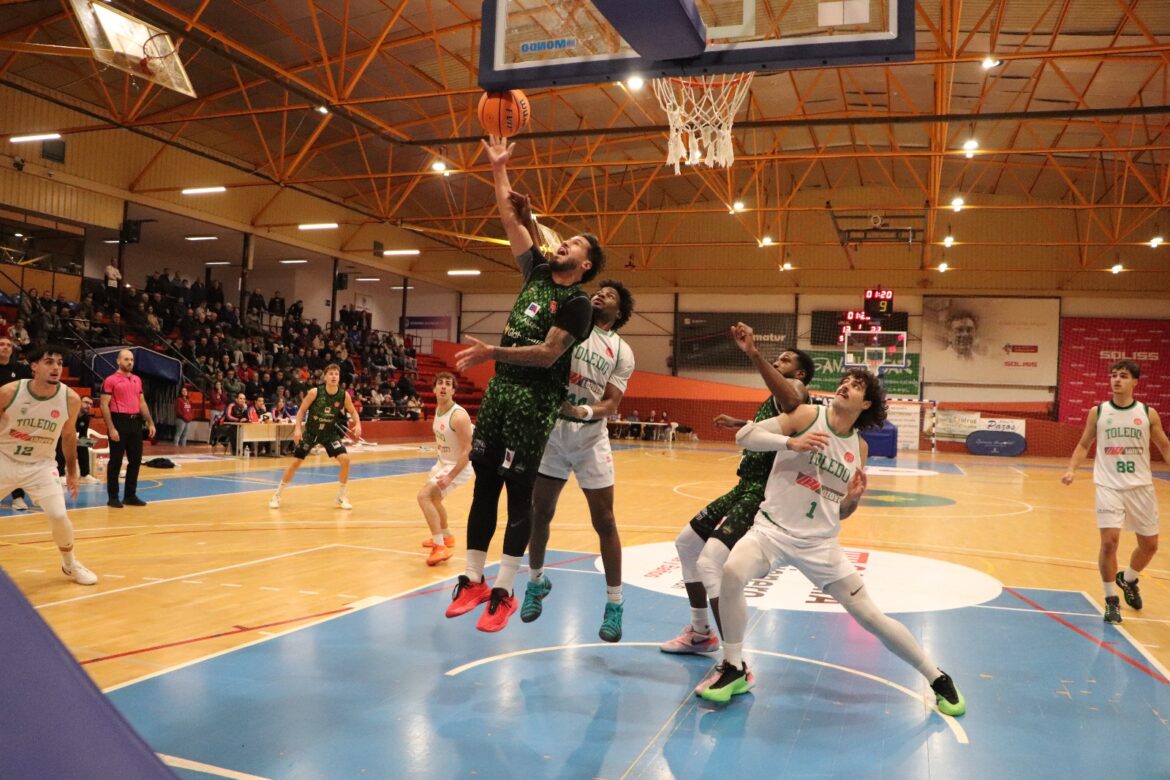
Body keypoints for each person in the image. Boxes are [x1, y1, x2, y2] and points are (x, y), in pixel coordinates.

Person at [697, 369, 966, 718]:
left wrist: (853, 498)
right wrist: (790, 443)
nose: (846, 385)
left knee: (870, 616)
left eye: (856, 386)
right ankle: (734, 666)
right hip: (772, 531)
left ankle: (937, 677)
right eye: (846, 380)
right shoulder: (808, 415)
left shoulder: (860, 448)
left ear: (866, 404)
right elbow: (745, 436)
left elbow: (841, 511)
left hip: (820, 545)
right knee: (732, 571)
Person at [444, 135, 600, 633]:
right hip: (500, 395)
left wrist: (492, 352)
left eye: (575, 244)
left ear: (585, 265)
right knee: (483, 485)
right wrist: (498, 169)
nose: (565, 242)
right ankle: (473, 579)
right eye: (564, 238)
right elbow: (510, 218)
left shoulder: (578, 303)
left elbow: (549, 353)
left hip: (533, 401)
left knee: (517, 494)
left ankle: (506, 590)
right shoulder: (535, 272)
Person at [660, 324, 812, 678]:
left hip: (761, 492)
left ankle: (735, 661)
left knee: (711, 563)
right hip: (743, 486)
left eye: (786, 360)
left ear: (800, 374)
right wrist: (741, 422)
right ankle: (701, 633)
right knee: (686, 544)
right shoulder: (776, 402)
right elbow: (775, 422)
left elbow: (792, 400)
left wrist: (754, 353)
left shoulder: (797, 391)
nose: (780, 360)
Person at [524, 279, 636, 642]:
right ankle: (536, 582)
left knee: (605, 521)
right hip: (553, 433)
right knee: (540, 513)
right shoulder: (568, 326)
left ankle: (615, 604)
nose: (600, 294)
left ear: (619, 311)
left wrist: (582, 410)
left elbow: (612, 403)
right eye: (599, 290)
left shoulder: (621, 350)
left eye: (610, 294)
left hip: (590, 438)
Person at [1062, 360, 1170, 624]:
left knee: (1150, 546)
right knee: (1109, 542)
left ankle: (1129, 579)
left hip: (1141, 487)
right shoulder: (1098, 412)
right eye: (1113, 375)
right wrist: (1072, 469)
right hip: (1108, 485)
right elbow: (1084, 444)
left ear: (1135, 382)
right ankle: (1111, 600)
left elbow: (1165, 447)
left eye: (1123, 376)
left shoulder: (1148, 413)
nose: (1117, 380)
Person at [0, 344, 97, 585]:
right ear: (34, 366)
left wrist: (72, 472)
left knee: (58, 515)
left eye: (60, 363)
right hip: (4, 459)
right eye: (49, 362)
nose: (56, 368)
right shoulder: (9, 392)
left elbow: (68, 436)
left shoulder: (70, 399)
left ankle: (70, 564)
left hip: (41, 465)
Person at [267, 364, 362, 510]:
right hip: (311, 432)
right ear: (325, 377)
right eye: (331, 374)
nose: (334, 376)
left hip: (329, 433)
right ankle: (277, 495)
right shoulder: (315, 392)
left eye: (336, 374)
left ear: (339, 377)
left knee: (345, 460)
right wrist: (297, 429)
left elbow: (353, 411)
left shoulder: (344, 395)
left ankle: (341, 496)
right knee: (296, 462)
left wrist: (358, 424)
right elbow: (301, 411)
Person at [419, 372, 473, 566]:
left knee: (424, 496)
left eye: (448, 384)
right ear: (434, 389)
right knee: (434, 499)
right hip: (443, 462)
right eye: (440, 383)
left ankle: (439, 547)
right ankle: (446, 536)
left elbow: (468, 449)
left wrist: (451, 476)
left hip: (458, 465)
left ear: (453, 390)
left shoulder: (458, 416)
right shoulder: (439, 409)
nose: (443, 386)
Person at [99, 349, 156, 508]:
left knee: (135, 460)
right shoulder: (110, 380)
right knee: (116, 461)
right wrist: (111, 428)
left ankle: (130, 495)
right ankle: (113, 497)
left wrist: (150, 422)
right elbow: (104, 405)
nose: (130, 362)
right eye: (126, 359)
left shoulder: (137, 379)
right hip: (119, 421)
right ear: (118, 361)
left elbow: (142, 403)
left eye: (131, 359)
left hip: (135, 422)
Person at [0, 335, 34, 511]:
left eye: (8, 345)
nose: (5, 347)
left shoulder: (20, 369)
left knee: (16, 458)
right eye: (1, 344)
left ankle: (18, 497)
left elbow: (31, 390)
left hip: (15, 420)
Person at [56, 395, 103, 484]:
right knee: (61, 443)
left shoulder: (86, 418)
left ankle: (84, 475)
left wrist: (88, 442)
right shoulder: (69, 413)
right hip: (60, 438)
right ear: (79, 403)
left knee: (84, 445)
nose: (88, 405)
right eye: (86, 402)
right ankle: (60, 474)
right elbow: (61, 431)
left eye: (91, 404)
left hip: (72, 439)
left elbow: (83, 435)